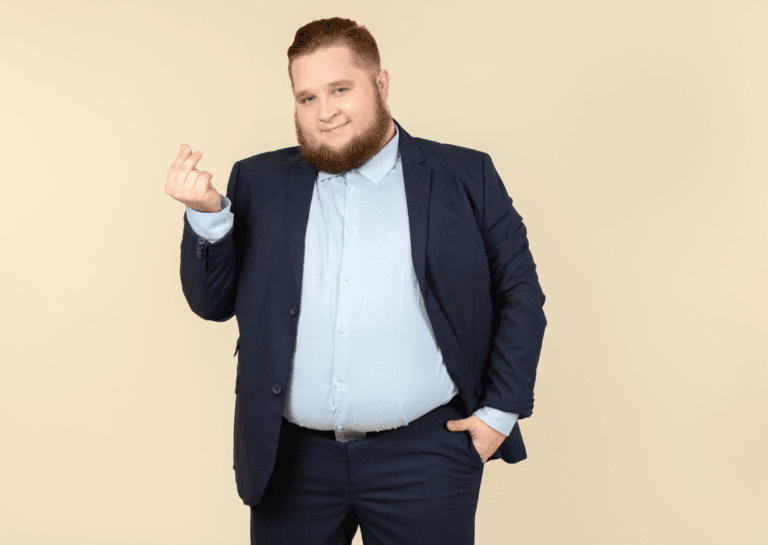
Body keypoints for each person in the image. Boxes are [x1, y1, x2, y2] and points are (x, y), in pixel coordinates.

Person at [166, 16, 547, 545]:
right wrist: (208, 216)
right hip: (290, 462)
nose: (325, 112)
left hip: (426, 458)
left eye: (340, 89)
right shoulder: (257, 181)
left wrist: (500, 413)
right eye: (306, 98)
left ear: (381, 85)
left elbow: (520, 293)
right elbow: (212, 303)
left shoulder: (464, 175)